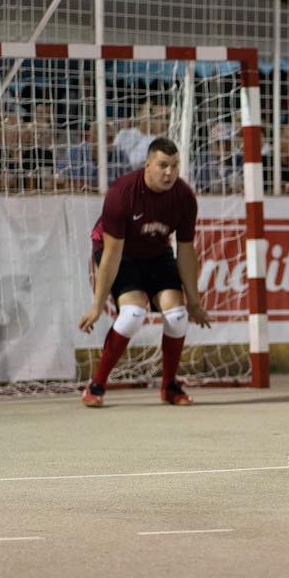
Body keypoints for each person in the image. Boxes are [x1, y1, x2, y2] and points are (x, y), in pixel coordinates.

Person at [77, 137, 211, 407]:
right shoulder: (122, 193)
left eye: (174, 166)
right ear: (147, 165)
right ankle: (96, 385)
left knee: (178, 315)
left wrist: (194, 302)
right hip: (120, 253)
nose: (169, 172)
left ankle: (169, 387)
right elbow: (112, 254)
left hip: (157, 253)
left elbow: (185, 250)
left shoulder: (184, 197)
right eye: (163, 165)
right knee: (133, 314)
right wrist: (96, 305)